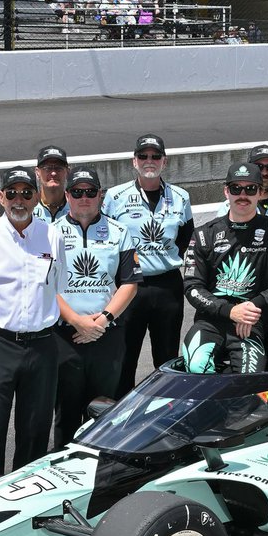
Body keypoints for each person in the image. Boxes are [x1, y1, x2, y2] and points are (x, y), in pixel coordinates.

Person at [0, 166, 66, 474]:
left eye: (26, 193)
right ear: (1, 197)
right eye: (12, 193)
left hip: (42, 346)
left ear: (36, 197)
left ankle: (26, 496)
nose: (18, 200)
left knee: (35, 433)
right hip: (0, 345)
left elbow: (58, 284)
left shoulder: (53, 235)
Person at [180, 163, 268, 373]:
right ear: (226, 191)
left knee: (248, 379)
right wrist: (230, 311)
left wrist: (253, 306)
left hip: (252, 320)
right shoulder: (204, 234)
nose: (243, 195)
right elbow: (192, 287)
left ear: (260, 192)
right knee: (196, 366)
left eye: (250, 189)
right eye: (236, 188)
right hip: (211, 321)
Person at [52, 165, 142, 447]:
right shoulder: (51, 233)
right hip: (65, 335)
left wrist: (102, 320)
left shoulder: (119, 231)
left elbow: (130, 283)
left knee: (105, 411)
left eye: (90, 192)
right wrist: (77, 321)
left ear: (100, 195)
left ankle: (102, 464)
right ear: (67, 195)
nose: (84, 198)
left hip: (106, 334)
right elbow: (44, 285)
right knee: (66, 412)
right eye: (77, 192)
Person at [103, 134, 193, 395]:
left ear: (165, 161)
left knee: (166, 358)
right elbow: (107, 238)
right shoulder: (115, 196)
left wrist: (161, 258)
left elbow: (185, 236)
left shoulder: (181, 197)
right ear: (134, 161)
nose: (149, 160)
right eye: (143, 156)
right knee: (124, 357)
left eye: (155, 156)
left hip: (167, 285)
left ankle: (165, 408)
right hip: (130, 286)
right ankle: (121, 412)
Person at [32, 145, 71, 222]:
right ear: (37, 172)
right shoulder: (28, 208)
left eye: (58, 168)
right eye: (47, 168)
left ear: (67, 172)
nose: (53, 173)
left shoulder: (76, 208)